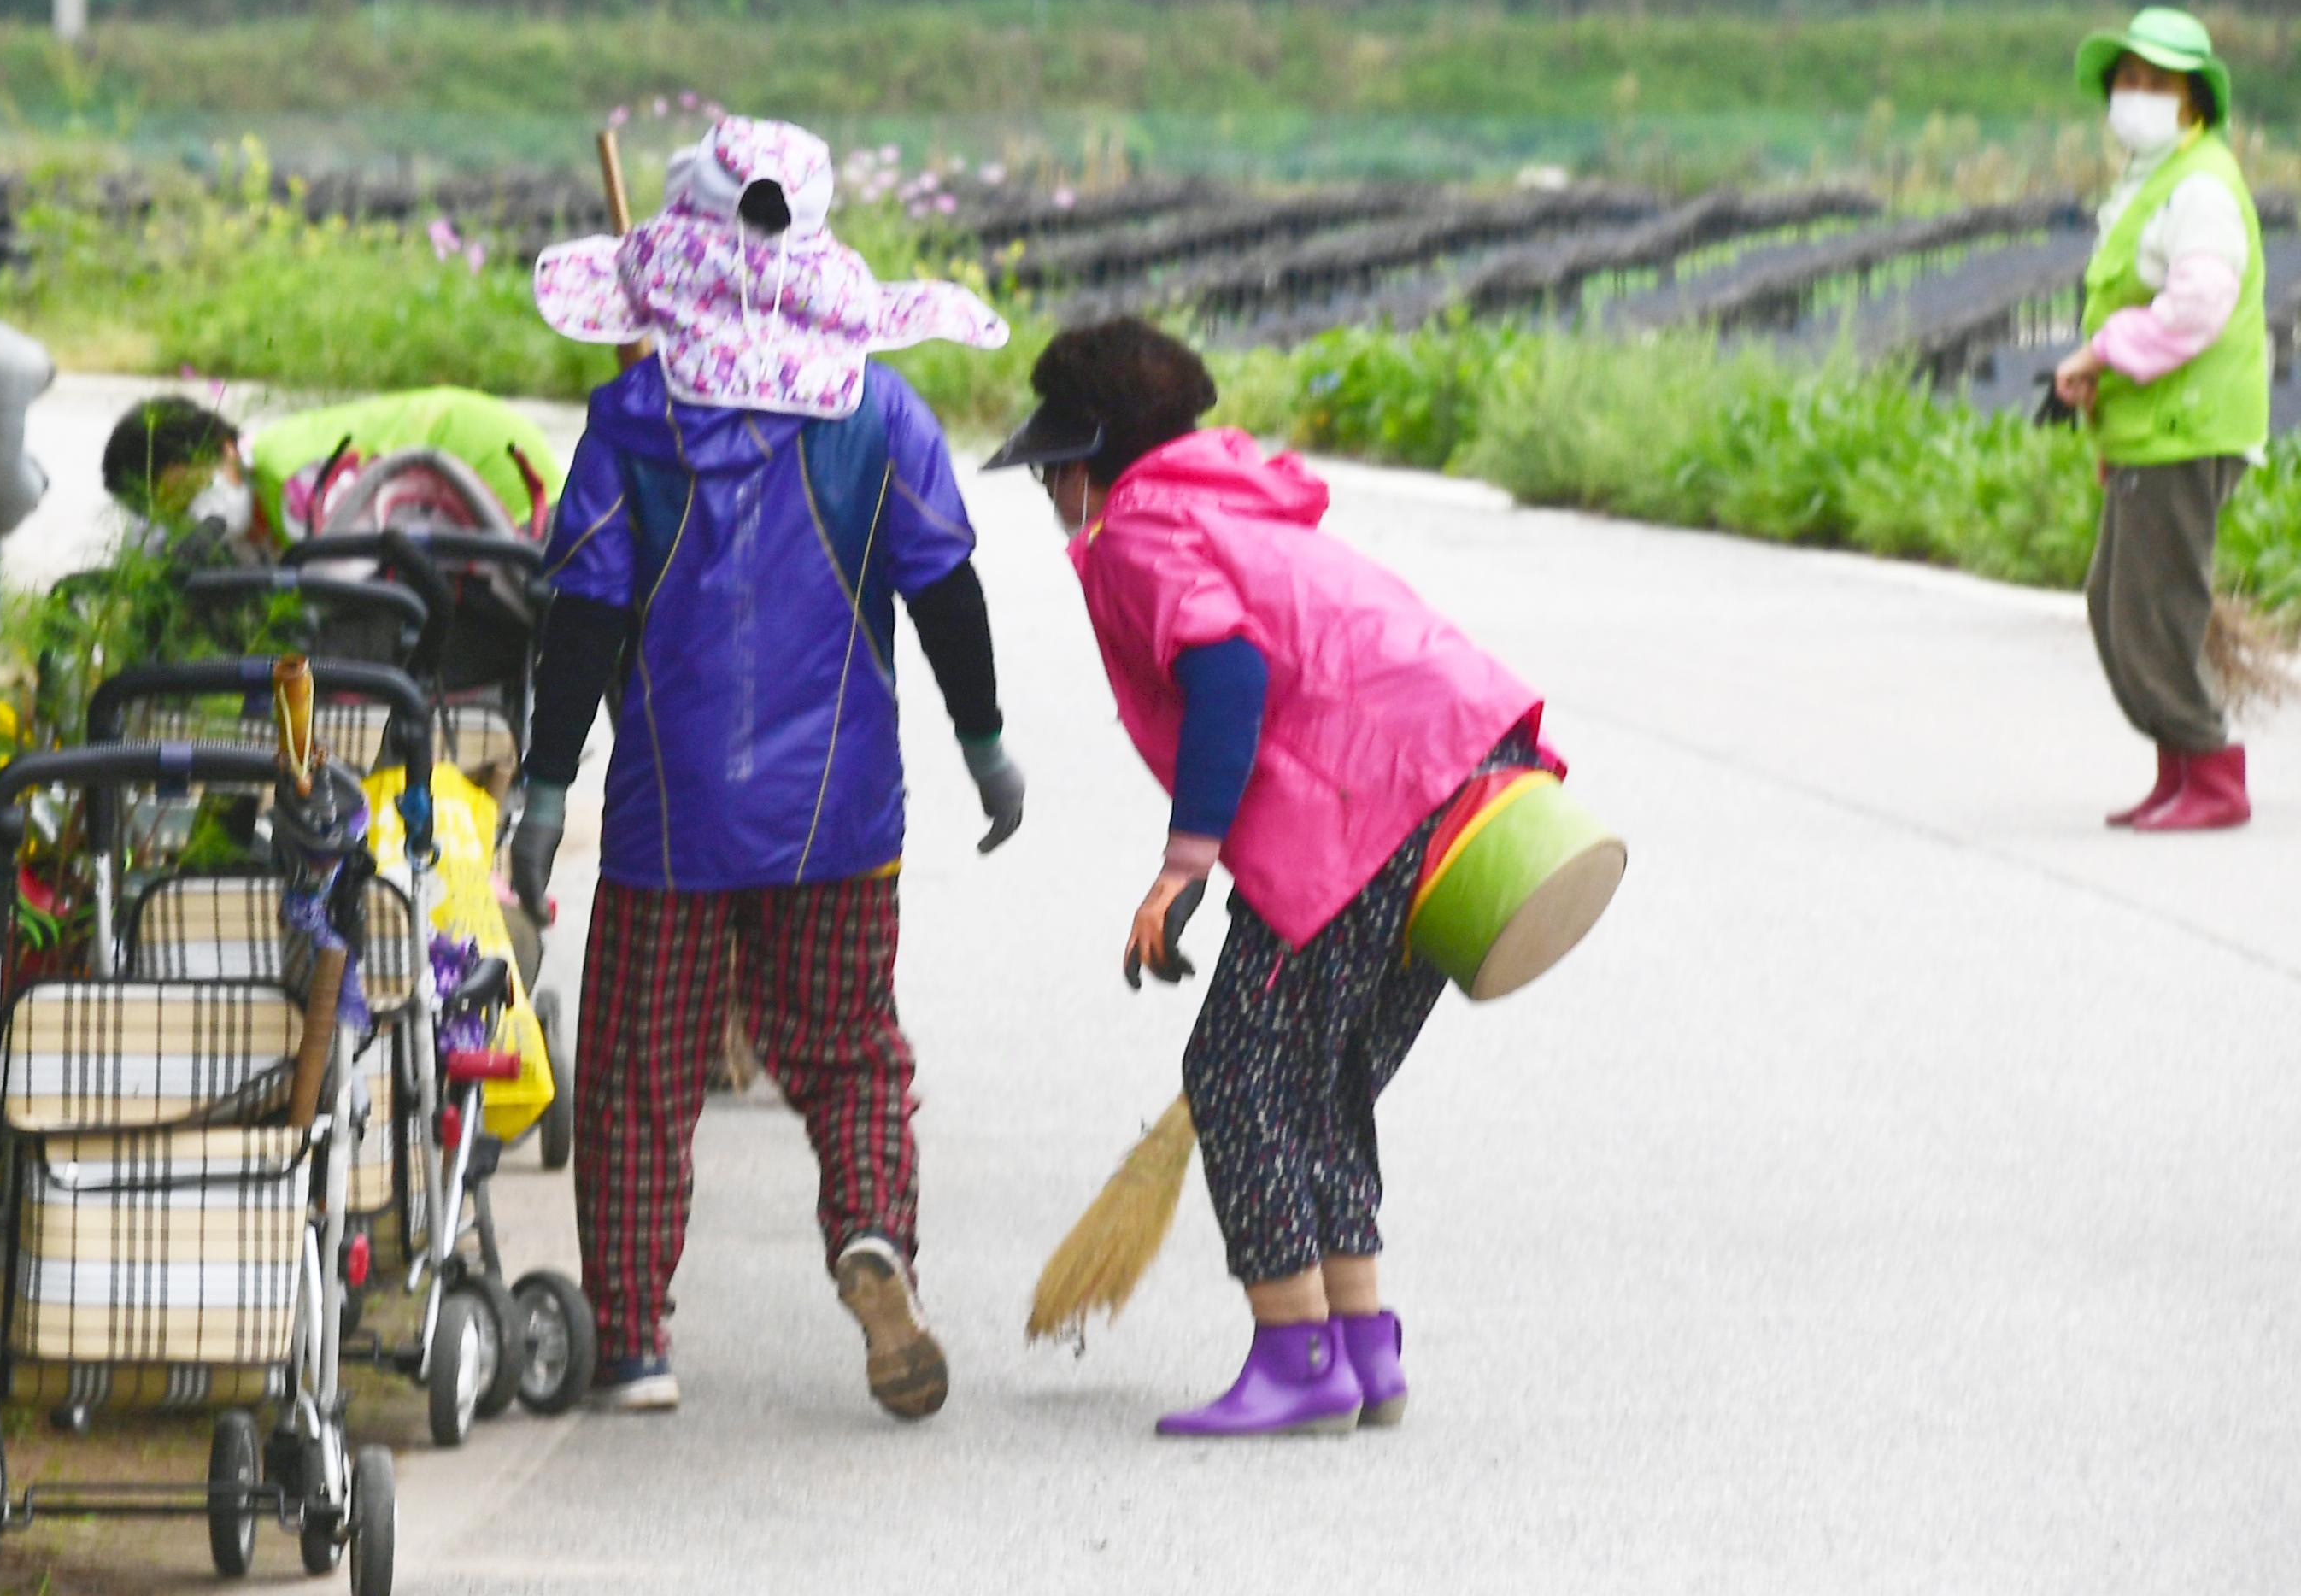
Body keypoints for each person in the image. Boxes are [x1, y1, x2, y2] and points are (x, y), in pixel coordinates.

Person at [508, 115, 1025, 1419]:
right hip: (842, 814)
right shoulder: (880, 413)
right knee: (851, 1053)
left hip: (671, 816)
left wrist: (548, 783)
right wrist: (986, 744)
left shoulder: (637, 419)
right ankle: (871, 1237)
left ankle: (630, 1342)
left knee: (639, 1079)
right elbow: (945, 591)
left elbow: (582, 618)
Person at [990, 317, 1553, 1437]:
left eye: (1055, 466)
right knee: (1325, 1073)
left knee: (1239, 1071)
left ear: (1088, 456)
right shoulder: (1233, 503)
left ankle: (1297, 1360)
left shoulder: (1145, 532)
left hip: (1376, 811)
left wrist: (1181, 868)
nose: (1050, 489)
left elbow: (1230, 677)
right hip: (1470, 791)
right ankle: (1360, 1347)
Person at [2052, 9, 2270, 832]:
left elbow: (2199, 305)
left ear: (2193, 102)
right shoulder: (2155, 179)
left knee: (2154, 607)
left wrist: (2100, 354)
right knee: (2120, 602)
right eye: (2127, 82)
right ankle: (2178, 769)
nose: (2136, 98)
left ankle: (2212, 774)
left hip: (2188, 431)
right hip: (2154, 429)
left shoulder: (2201, 186)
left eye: (2157, 84)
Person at [242, 384, 563, 545]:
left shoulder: (283, 477)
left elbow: (333, 572)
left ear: (229, 449)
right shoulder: (277, 449)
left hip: (506, 474)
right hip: (498, 441)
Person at [100, 392, 255, 555]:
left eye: (153, 484)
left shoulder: (227, 488)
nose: (151, 503)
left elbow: (234, 521)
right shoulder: (147, 525)